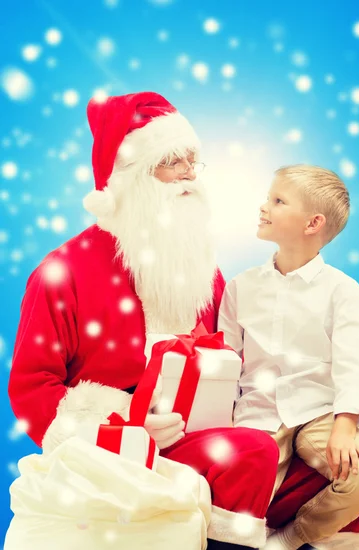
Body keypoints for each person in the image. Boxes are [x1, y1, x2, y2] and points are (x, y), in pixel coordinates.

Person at [7, 92, 278, 550]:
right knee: (251, 454)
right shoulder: (63, 271)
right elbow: (33, 388)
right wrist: (121, 428)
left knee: (329, 478)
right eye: (173, 161)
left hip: (199, 435)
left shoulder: (203, 272)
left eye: (193, 160)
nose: (190, 173)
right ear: (130, 179)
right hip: (110, 449)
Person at [218, 165, 359, 550]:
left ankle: (290, 539)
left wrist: (346, 425)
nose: (264, 207)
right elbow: (226, 360)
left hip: (319, 411)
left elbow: (352, 363)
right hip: (257, 412)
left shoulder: (342, 290)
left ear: (313, 223)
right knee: (239, 495)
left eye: (278, 201)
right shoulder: (241, 286)